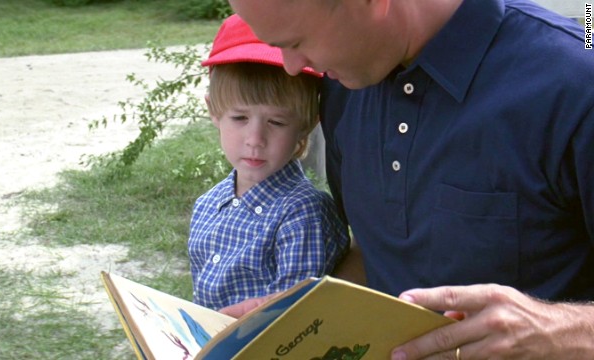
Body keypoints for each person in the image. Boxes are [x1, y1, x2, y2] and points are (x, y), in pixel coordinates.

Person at [226, 0, 594, 358]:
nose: (292, 67)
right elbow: (377, 249)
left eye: (295, 42)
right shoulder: (343, 90)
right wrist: (300, 317)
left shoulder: (575, 84)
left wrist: (559, 329)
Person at [187, 14, 350, 311]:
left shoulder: (303, 215)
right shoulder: (208, 205)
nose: (255, 138)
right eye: (239, 118)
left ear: (307, 124)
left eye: (276, 121)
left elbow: (291, 323)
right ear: (213, 111)